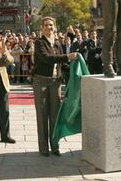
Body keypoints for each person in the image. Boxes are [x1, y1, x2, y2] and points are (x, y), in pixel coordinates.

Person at [33, 17, 78, 156]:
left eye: (51, 25)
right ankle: (43, 148)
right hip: (41, 81)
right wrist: (67, 57)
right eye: (46, 25)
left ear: (55, 27)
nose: (49, 27)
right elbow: (47, 58)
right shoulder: (39, 42)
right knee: (42, 115)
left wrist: (75, 65)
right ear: (42, 28)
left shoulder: (57, 43)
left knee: (54, 116)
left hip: (55, 82)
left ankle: (55, 145)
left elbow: (61, 65)